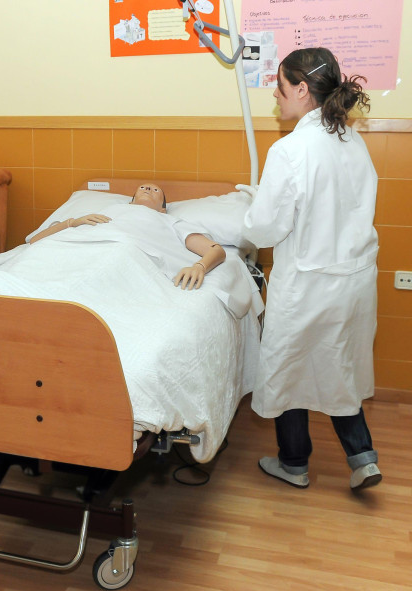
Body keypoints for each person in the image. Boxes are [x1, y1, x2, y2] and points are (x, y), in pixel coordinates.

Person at [241, 48, 381, 491]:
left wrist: (250, 208)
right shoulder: (351, 140)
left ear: (302, 90)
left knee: (290, 368)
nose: (275, 98)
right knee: (338, 365)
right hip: (353, 278)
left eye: (280, 89)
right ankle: (363, 458)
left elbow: (264, 228)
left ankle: (293, 463)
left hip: (309, 282)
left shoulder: (291, 150)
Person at [29, 182, 226, 289]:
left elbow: (215, 250)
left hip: (121, 251)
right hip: (75, 246)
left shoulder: (168, 221)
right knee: (37, 258)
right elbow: (36, 242)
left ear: (163, 209)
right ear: (131, 202)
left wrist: (200, 266)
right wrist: (72, 222)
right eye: (142, 188)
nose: (148, 188)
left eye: (155, 190)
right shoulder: (110, 209)